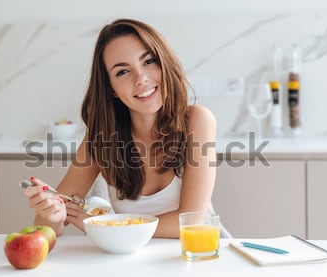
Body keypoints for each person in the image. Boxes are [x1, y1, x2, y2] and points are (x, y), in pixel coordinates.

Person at [24, 18, 228, 239]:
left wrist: (104, 228)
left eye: (148, 61)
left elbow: (190, 221)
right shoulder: (101, 139)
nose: (141, 78)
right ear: (111, 88)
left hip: (198, 255)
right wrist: (50, 215)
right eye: (122, 72)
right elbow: (47, 228)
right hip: (132, 264)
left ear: (164, 63)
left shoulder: (197, 120)